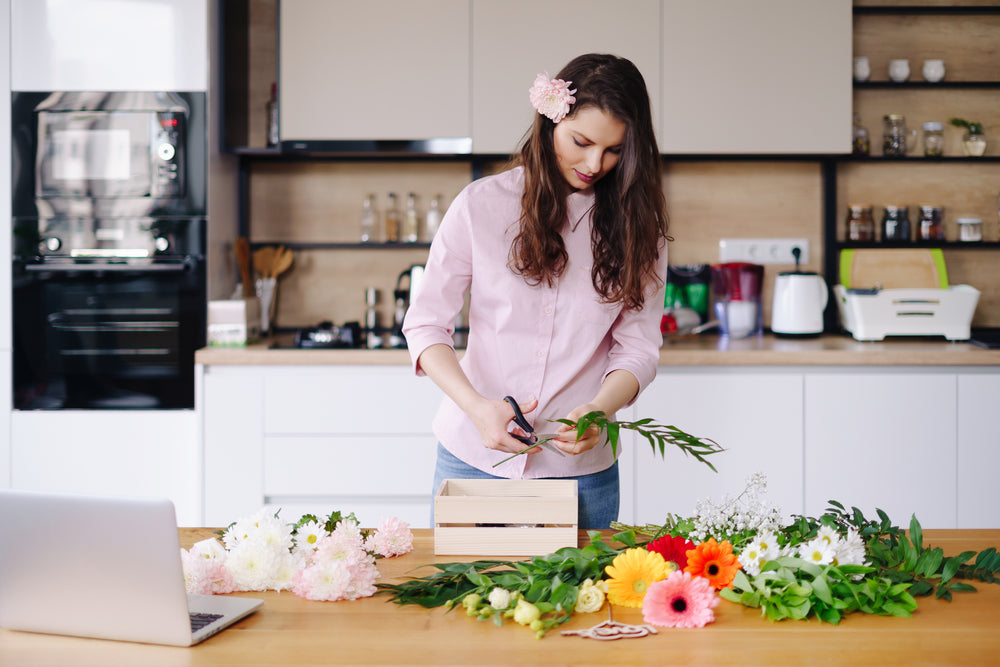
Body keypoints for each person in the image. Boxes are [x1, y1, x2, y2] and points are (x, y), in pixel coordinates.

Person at [402, 53, 669, 529]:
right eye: (581, 142)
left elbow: (639, 349)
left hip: (580, 474)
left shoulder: (638, 229)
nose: (594, 163)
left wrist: (601, 410)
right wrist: (477, 408)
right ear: (550, 123)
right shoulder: (480, 207)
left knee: (581, 604)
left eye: (613, 151)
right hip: (473, 458)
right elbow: (425, 325)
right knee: (462, 600)